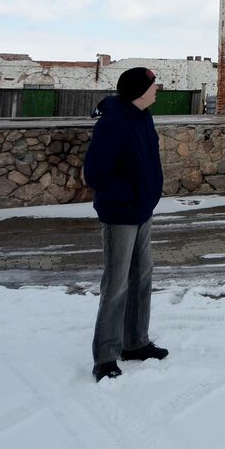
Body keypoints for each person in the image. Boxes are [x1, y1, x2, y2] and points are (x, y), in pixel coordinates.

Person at [83, 66, 169, 382]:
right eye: (152, 85)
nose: (157, 88)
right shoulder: (113, 124)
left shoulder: (142, 116)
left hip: (142, 211)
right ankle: (105, 357)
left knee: (142, 277)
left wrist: (146, 196)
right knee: (116, 284)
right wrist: (130, 195)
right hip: (120, 214)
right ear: (138, 90)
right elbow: (95, 174)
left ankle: (135, 342)